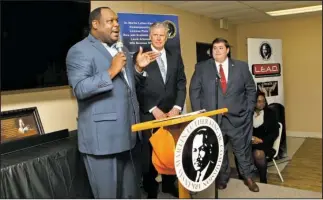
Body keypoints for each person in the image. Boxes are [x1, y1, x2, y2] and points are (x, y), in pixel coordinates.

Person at [66, 7, 159, 198]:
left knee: (131, 194)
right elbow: (80, 89)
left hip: (129, 136)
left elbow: (126, 88)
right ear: (95, 24)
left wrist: (138, 69)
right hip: (103, 142)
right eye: (110, 21)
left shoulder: (122, 49)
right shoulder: (79, 51)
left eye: (117, 20)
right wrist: (111, 71)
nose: (116, 24)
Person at [189, 37, 259, 192]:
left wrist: (248, 109)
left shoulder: (241, 66)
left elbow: (250, 89)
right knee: (219, 150)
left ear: (227, 50)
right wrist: (200, 113)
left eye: (221, 48)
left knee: (242, 149)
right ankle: (223, 177)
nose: (217, 51)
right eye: (214, 48)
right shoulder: (202, 67)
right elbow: (195, 92)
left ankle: (247, 176)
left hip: (238, 118)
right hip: (213, 118)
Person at [133, 22, 187, 198]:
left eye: (161, 35)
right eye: (155, 35)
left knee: (170, 150)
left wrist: (177, 107)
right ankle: (150, 189)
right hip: (150, 114)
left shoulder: (175, 56)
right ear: (150, 36)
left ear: (166, 36)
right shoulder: (139, 57)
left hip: (171, 114)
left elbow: (181, 83)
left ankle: (168, 184)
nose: (158, 38)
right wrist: (152, 108)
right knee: (149, 153)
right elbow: (137, 87)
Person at [251, 92, 279, 183]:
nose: (261, 103)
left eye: (263, 101)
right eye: (258, 101)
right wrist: (251, 139)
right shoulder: (249, 114)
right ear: (254, 102)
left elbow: (275, 132)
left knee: (258, 154)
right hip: (251, 141)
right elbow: (245, 130)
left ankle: (263, 179)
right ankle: (244, 178)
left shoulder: (270, 113)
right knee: (238, 150)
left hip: (265, 142)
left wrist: (261, 140)